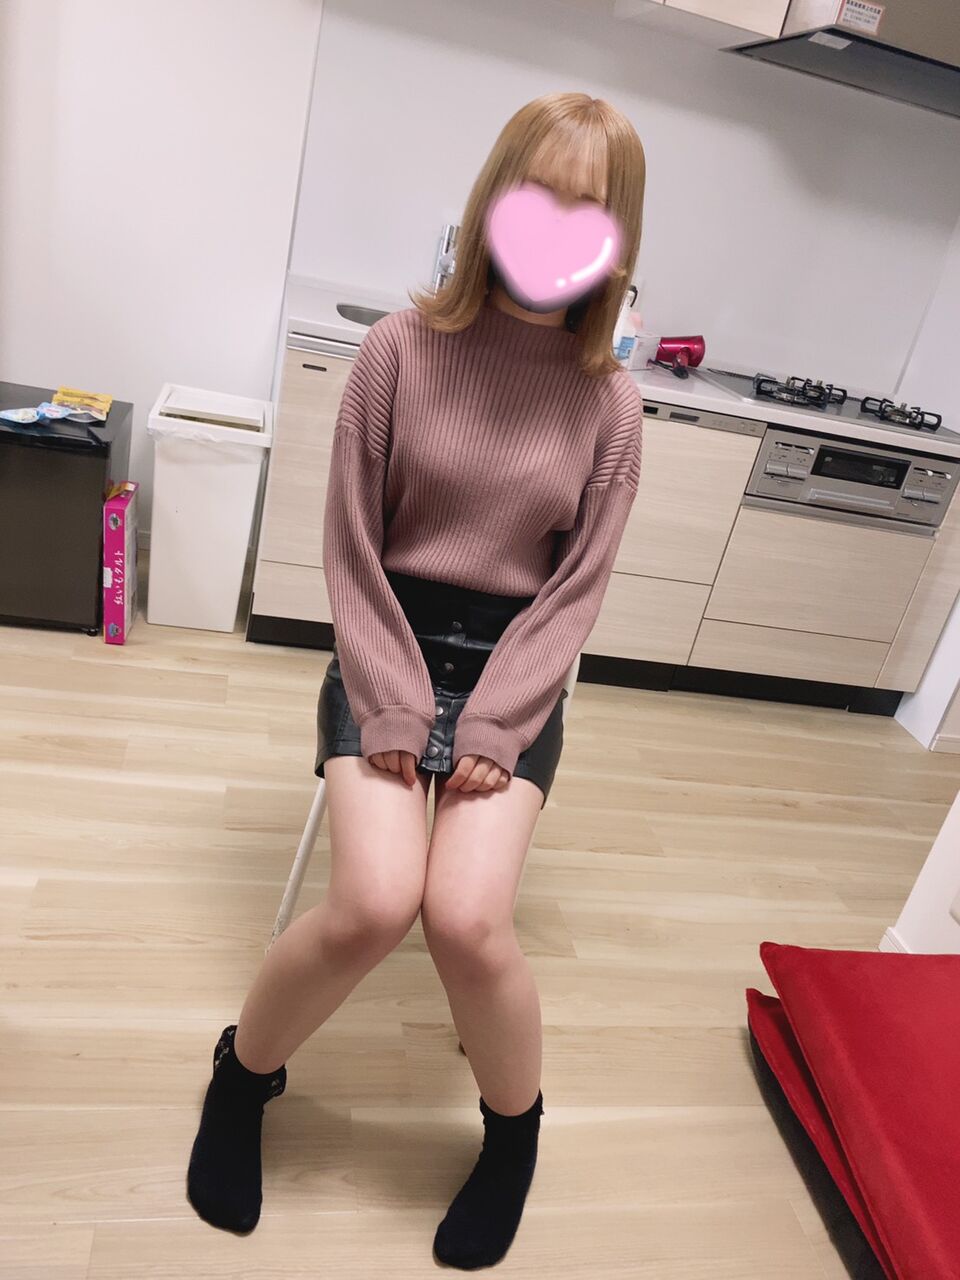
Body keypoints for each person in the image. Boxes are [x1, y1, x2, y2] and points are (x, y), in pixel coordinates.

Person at [186, 91, 646, 1270]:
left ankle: (513, 1134)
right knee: (374, 902)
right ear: (494, 198)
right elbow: (350, 548)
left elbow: (575, 593)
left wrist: (497, 717)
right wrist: (392, 695)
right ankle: (242, 1075)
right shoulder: (396, 350)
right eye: (537, 193)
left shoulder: (611, 401)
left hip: (515, 671)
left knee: (468, 918)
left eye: (587, 208)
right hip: (384, 639)